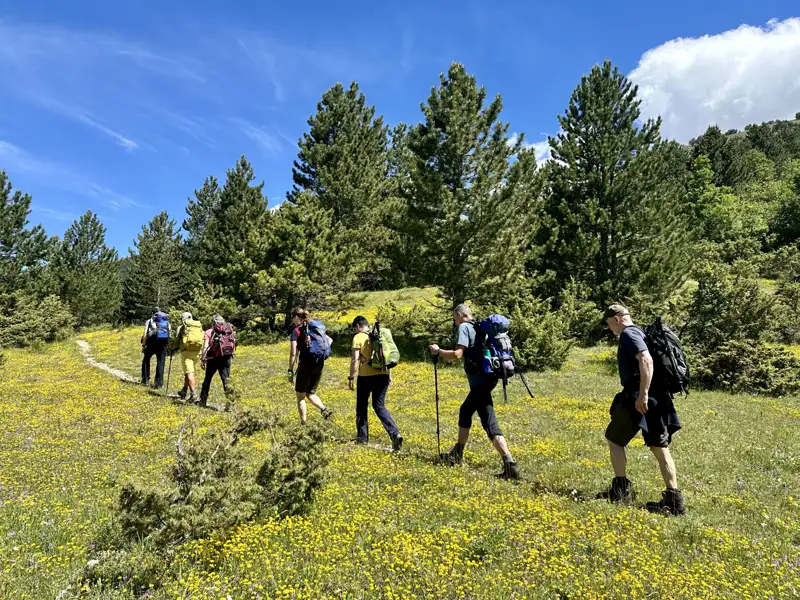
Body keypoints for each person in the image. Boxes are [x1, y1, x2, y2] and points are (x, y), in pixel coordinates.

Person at [602, 304, 685, 516]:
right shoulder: (639, 331)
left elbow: (646, 359)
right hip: (656, 398)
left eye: (610, 324)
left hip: (639, 399)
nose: (610, 328)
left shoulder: (629, 335)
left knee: (615, 440)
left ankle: (620, 489)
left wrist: (643, 393)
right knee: (659, 447)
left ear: (617, 319)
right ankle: (674, 500)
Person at [428, 304, 521, 480]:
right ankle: (458, 454)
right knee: (466, 412)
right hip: (489, 378)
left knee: (489, 422)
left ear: (459, 315)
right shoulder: (480, 327)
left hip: (480, 382)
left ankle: (510, 464)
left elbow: (457, 354)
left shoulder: (464, 327)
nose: (455, 323)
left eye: (455, 319)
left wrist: (438, 351)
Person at [349, 316, 403, 451]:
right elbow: (386, 357)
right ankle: (395, 433)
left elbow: (355, 359)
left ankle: (362, 439)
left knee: (362, 406)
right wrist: (389, 375)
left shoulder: (358, 337)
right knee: (379, 406)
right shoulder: (379, 336)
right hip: (383, 375)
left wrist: (351, 377)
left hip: (366, 376)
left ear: (357, 326)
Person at [288, 307, 333, 424]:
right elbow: (329, 340)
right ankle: (324, 410)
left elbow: (293, 353)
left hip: (305, 365)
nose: (292, 319)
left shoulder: (297, 331)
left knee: (300, 397)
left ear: (297, 317)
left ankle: (303, 424)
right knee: (310, 393)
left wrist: (290, 370)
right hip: (319, 363)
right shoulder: (314, 328)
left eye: (292, 317)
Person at [198, 314, 236, 409]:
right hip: (226, 357)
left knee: (207, 379)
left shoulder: (209, 332)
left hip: (213, 358)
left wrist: (203, 358)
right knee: (226, 380)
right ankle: (230, 404)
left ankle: (203, 400)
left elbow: (206, 346)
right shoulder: (229, 330)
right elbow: (233, 342)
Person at [170, 311, 204, 403]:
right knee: (188, 372)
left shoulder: (181, 328)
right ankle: (184, 390)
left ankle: (193, 394)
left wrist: (172, 347)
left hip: (186, 353)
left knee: (189, 373)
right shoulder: (198, 326)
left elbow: (177, 340)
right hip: (197, 352)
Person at [140, 307, 170, 389]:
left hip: (151, 342)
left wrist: (143, 345)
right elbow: (169, 333)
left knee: (146, 360)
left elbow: (145, 334)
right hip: (162, 344)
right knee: (161, 362)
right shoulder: (166, 322)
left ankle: (145, 380)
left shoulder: (150, 321)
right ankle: (158, 384)